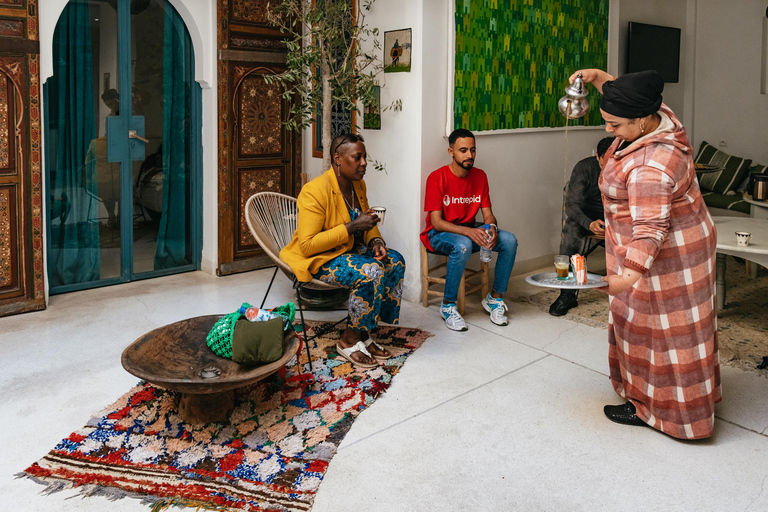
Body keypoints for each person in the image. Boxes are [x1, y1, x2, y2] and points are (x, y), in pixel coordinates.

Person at [572, 68, 720, 439]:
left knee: (661, 333)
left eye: (615, 125)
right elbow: (631, 96)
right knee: (672, 329)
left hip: (668, 256)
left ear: (640, 121)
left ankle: (664, 415)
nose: (609, 131)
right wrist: (599, 78)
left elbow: (650, 229)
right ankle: (682, 401)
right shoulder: (660, 118)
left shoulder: (652, 166)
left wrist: (624, 278)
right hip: (684, 243)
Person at [280, 133, 405, 369]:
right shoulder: (314, 190)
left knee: (394, 261)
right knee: (371, 270)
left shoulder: (358, 185)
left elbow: (366, 221)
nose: (364, 163)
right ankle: (348, 341)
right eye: (357, 158)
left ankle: (365, 331)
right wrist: (351, 227)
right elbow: (307, 245)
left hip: (345, 250)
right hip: (318, 258)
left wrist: (375, 241)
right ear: (338, 159)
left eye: (365, 157)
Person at [421, 129, 518, 331]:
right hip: (439, 234)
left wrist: (491, 227)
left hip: (468, 230)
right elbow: (436, 222)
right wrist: (469, 232)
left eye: (473, 150)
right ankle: (447, 306)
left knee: (509, 240)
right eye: (463, 150)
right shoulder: (436, 178)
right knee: (464, 245)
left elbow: (488, 214)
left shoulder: (480, 176)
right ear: (451, 151)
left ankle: (494, 298)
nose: (469, 155)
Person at [549, 136, 614, 316]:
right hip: (588, 219)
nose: (611, 167)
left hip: (618, 219)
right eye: (606, 162)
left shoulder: (627, 167)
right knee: (570, 231)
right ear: (598, 157)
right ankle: (567, 295)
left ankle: (634, 292)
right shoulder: (584, 168)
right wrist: (589, 223)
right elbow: (571, 205)